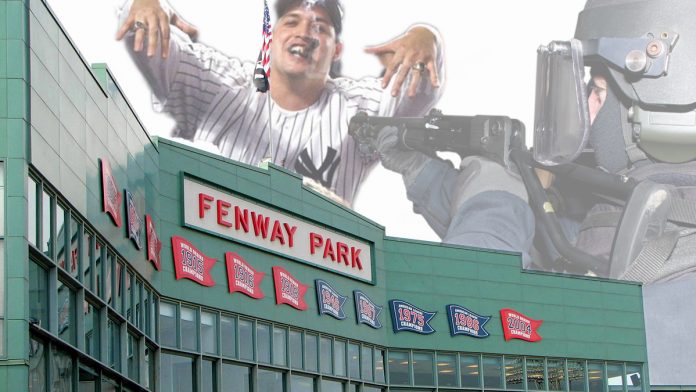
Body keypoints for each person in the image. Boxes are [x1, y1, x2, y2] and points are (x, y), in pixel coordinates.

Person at [373, 0, 696, 385]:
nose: (588, 112)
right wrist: (425, 174)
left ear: (659, 107)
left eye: (596, 91)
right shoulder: (651, 231)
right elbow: (558, 247)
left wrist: (494, 201)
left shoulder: (661, 307)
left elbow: (462, 340)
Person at [116, 0, 444, 206]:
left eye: (320, 27)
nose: (305, 32)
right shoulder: (224, 83)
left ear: (336, 51)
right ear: (271, 40)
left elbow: (418, 90)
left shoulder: (356, 107)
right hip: (227, 262)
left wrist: (426, 37)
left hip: (325, 275)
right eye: (291, 21)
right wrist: (142, 5)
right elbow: (149, 42)